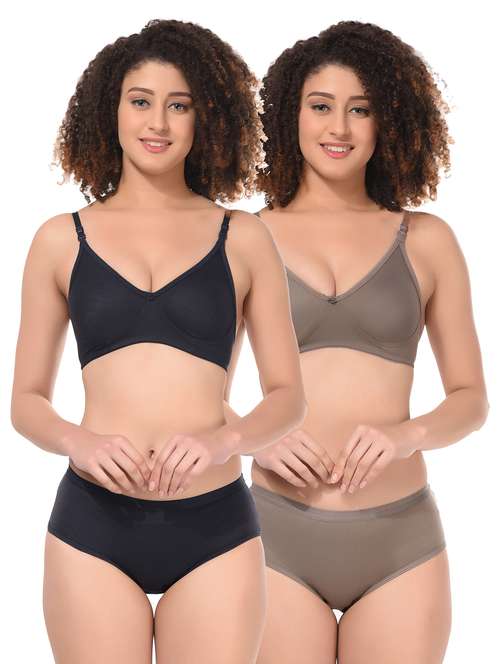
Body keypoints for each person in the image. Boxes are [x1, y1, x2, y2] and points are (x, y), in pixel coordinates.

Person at [10, 19, 306, 664]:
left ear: (207, 119)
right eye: (141, 101)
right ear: (109, 110)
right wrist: (78, 441)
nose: (158, 123)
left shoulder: (243, 237)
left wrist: (225, 440)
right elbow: (25, 400)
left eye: (180, 105)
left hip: (216, 526)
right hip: (92, 523)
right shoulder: (60, 239)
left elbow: (287, 396)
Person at [223, 21, 489, 663]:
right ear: (289, 115)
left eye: (360, 109)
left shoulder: (426, 240)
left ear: (389, 120)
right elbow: (196, 391)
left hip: (400, 540)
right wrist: (256, 435)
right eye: (321, 106)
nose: (338, 128)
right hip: (275, 534)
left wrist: (406, 435)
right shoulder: (242, 238)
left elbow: (471, 398)